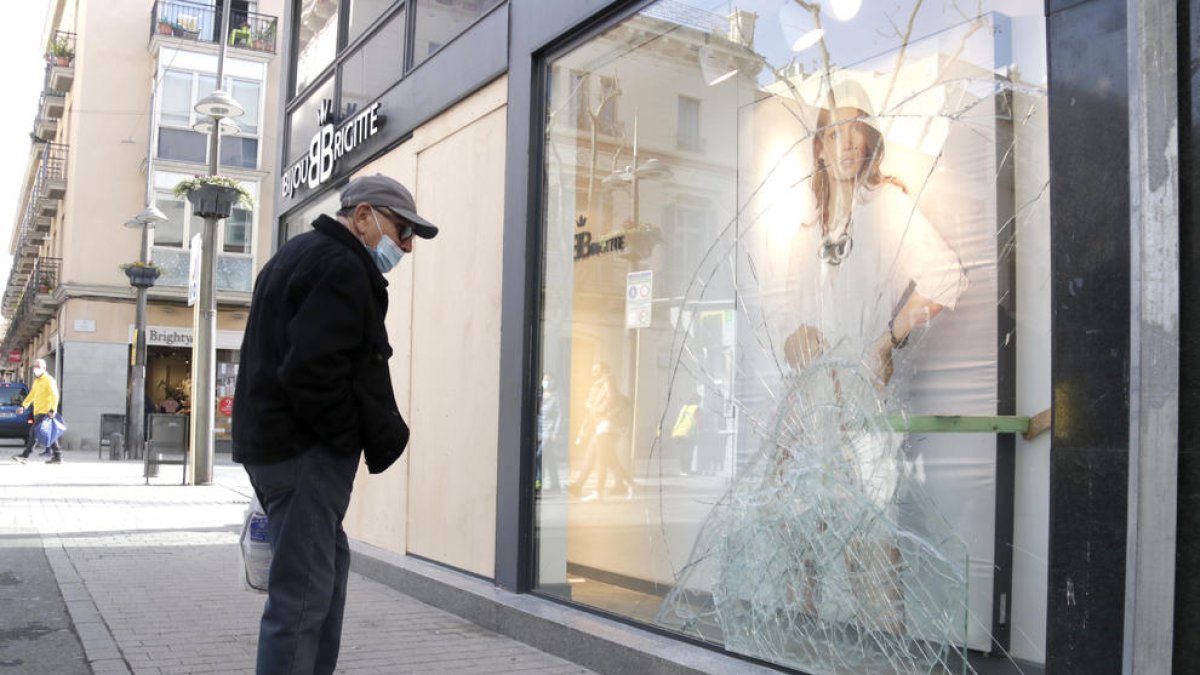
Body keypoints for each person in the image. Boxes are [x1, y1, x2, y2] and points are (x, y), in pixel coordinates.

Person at [232, 174, 437, 675]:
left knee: (322, 582)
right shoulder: (341, 266)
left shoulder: (296, 254)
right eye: (401, 230)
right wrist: (343, 439)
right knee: (301, 601)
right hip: (304, 454)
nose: (406, 246)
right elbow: (312, 372)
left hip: (279, 449)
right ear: (363, 216)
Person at [567, 362, 634, 501]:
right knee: (607, 459)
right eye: (593, 370)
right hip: (602, 425)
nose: (593, 373)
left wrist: (599, 410)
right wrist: (583, 430)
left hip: (607, 425)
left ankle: (597, 491)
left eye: (596, 370)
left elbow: (611, 399)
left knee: (601, 459)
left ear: (604, 370)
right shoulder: (598, 385)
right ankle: (627, 484)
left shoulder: (608, 379)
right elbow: (591, 411)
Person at [11, 358, 62, 464]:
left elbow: (55, 395)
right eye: (34, 366)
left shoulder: (48, 380)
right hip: (38, 412)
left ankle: (25, 455)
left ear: (44, 368)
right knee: (49, 434)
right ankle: (58, 456)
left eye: (38, 366)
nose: (35, 368)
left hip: (46, 412)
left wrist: (53, 410)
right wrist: (23, 406)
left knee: (33, 431)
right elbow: (31, 395)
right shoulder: (36, 381)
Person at [535, 373, 563, 492]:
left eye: (549, 379)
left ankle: (537, 483)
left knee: (538, 457)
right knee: (550, 459)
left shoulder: (556, 397)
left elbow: (560, 415)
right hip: (539, 430)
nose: (546, 382)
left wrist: (556, 432)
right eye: (544, 379)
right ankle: (555, 485)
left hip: (549, 432)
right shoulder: (540, 395)